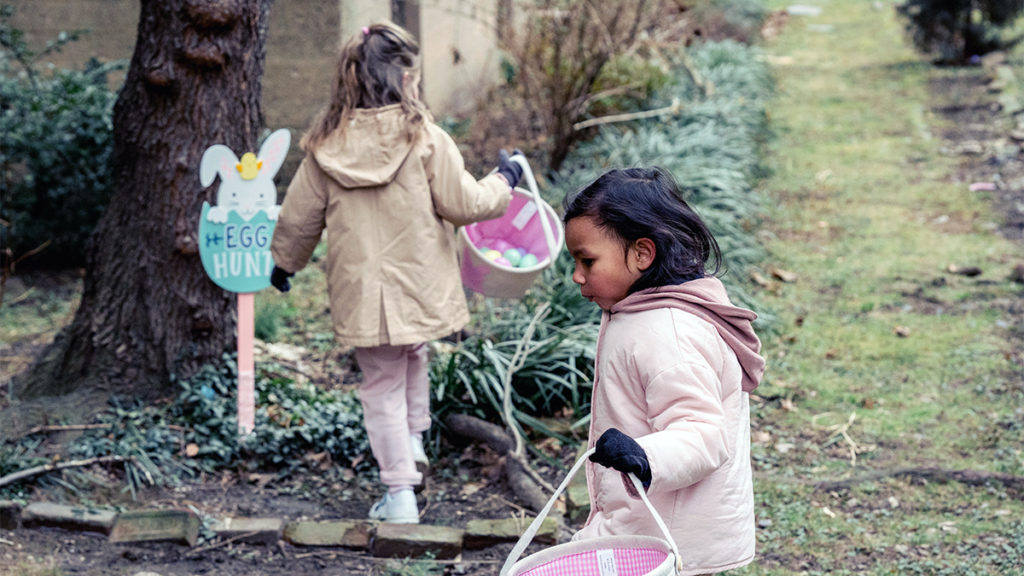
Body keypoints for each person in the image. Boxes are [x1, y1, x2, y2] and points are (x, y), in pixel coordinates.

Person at [268, 21, 523, 524]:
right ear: (407, 80)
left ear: (350, 80)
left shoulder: (325, 147)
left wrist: (283, 264)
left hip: (364, 292)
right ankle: (406, 471)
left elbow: (298, 219)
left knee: (384, 377)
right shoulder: (426, 138)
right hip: (420, 283)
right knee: (412, 354)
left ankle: (404, 471)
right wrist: (505, 179)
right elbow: (465, 202)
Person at [562, 167, 766, 575]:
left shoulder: (667, 332)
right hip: (651, 519)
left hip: (668, 536)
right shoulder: (641, 311)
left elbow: (704, 434)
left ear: (642, 254)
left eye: (587, 260)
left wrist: (643, 456)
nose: (576, 275)